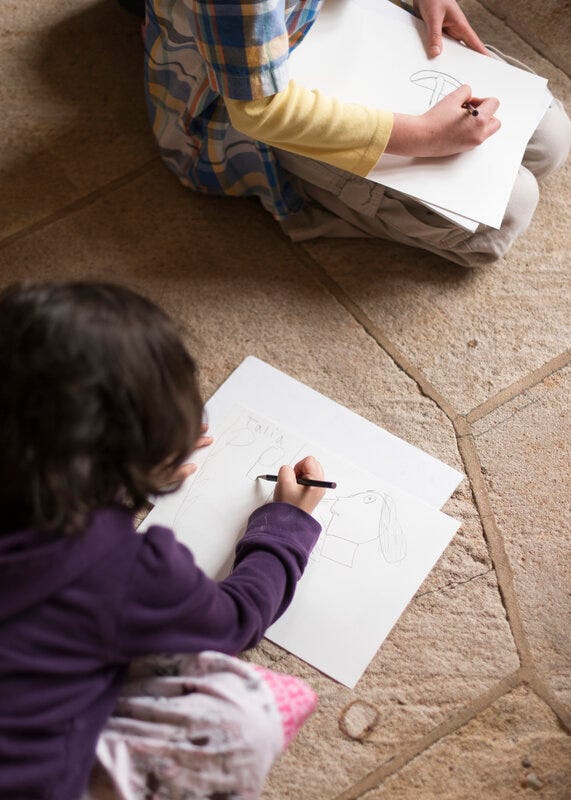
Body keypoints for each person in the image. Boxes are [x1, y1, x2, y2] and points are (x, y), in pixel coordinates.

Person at [0, 281, 325, 800]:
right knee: (245, 712)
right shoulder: (125, 570)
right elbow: (236, 618)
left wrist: (134, 454)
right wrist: (287, 524)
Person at [144, 0, 570, 267]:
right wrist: (419, 136)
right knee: (504, 215)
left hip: (347, 21)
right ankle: (299, 188)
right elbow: (258, 112)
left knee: (552, 139)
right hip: (250, 101)